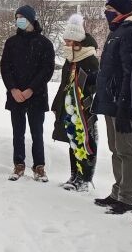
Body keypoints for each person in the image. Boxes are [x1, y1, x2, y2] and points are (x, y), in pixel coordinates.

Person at [92, 0, 132, 215]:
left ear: (122, 10)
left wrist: (125, 104)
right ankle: (117, 191)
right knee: (115, 149)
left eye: (110, 8)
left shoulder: (131, 32)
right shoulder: (117, 32)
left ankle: (128, 196)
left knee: (126, 149)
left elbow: (129, 72)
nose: (106, 12)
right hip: (110, 101)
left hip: (122, 103)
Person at [1, 5, 55, 182]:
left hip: (36, 95)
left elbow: (47, 70)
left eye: (22, 17)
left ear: (31, 19)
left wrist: (31, 89)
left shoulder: (44, 43)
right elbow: (5, 68)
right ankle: (18, 164)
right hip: (16, 95)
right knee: (18, 132)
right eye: (17, 17)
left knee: (37, 133)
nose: (19, 20)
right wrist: (13, 89)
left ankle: (39, 166)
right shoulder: (11, 42)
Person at [50, 14, 100, 192]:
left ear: (78, 42)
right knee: (72, 140)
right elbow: (64, 83)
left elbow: (96, 84)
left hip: (84, 108)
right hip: (68, 106)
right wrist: (57, 105)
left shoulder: (89, 58)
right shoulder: (70, 58)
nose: (66, 45)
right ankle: (74, 174)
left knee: (85, 141)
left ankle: (85, 178)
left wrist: (84, 91)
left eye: (69, 41)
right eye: (65, 41)